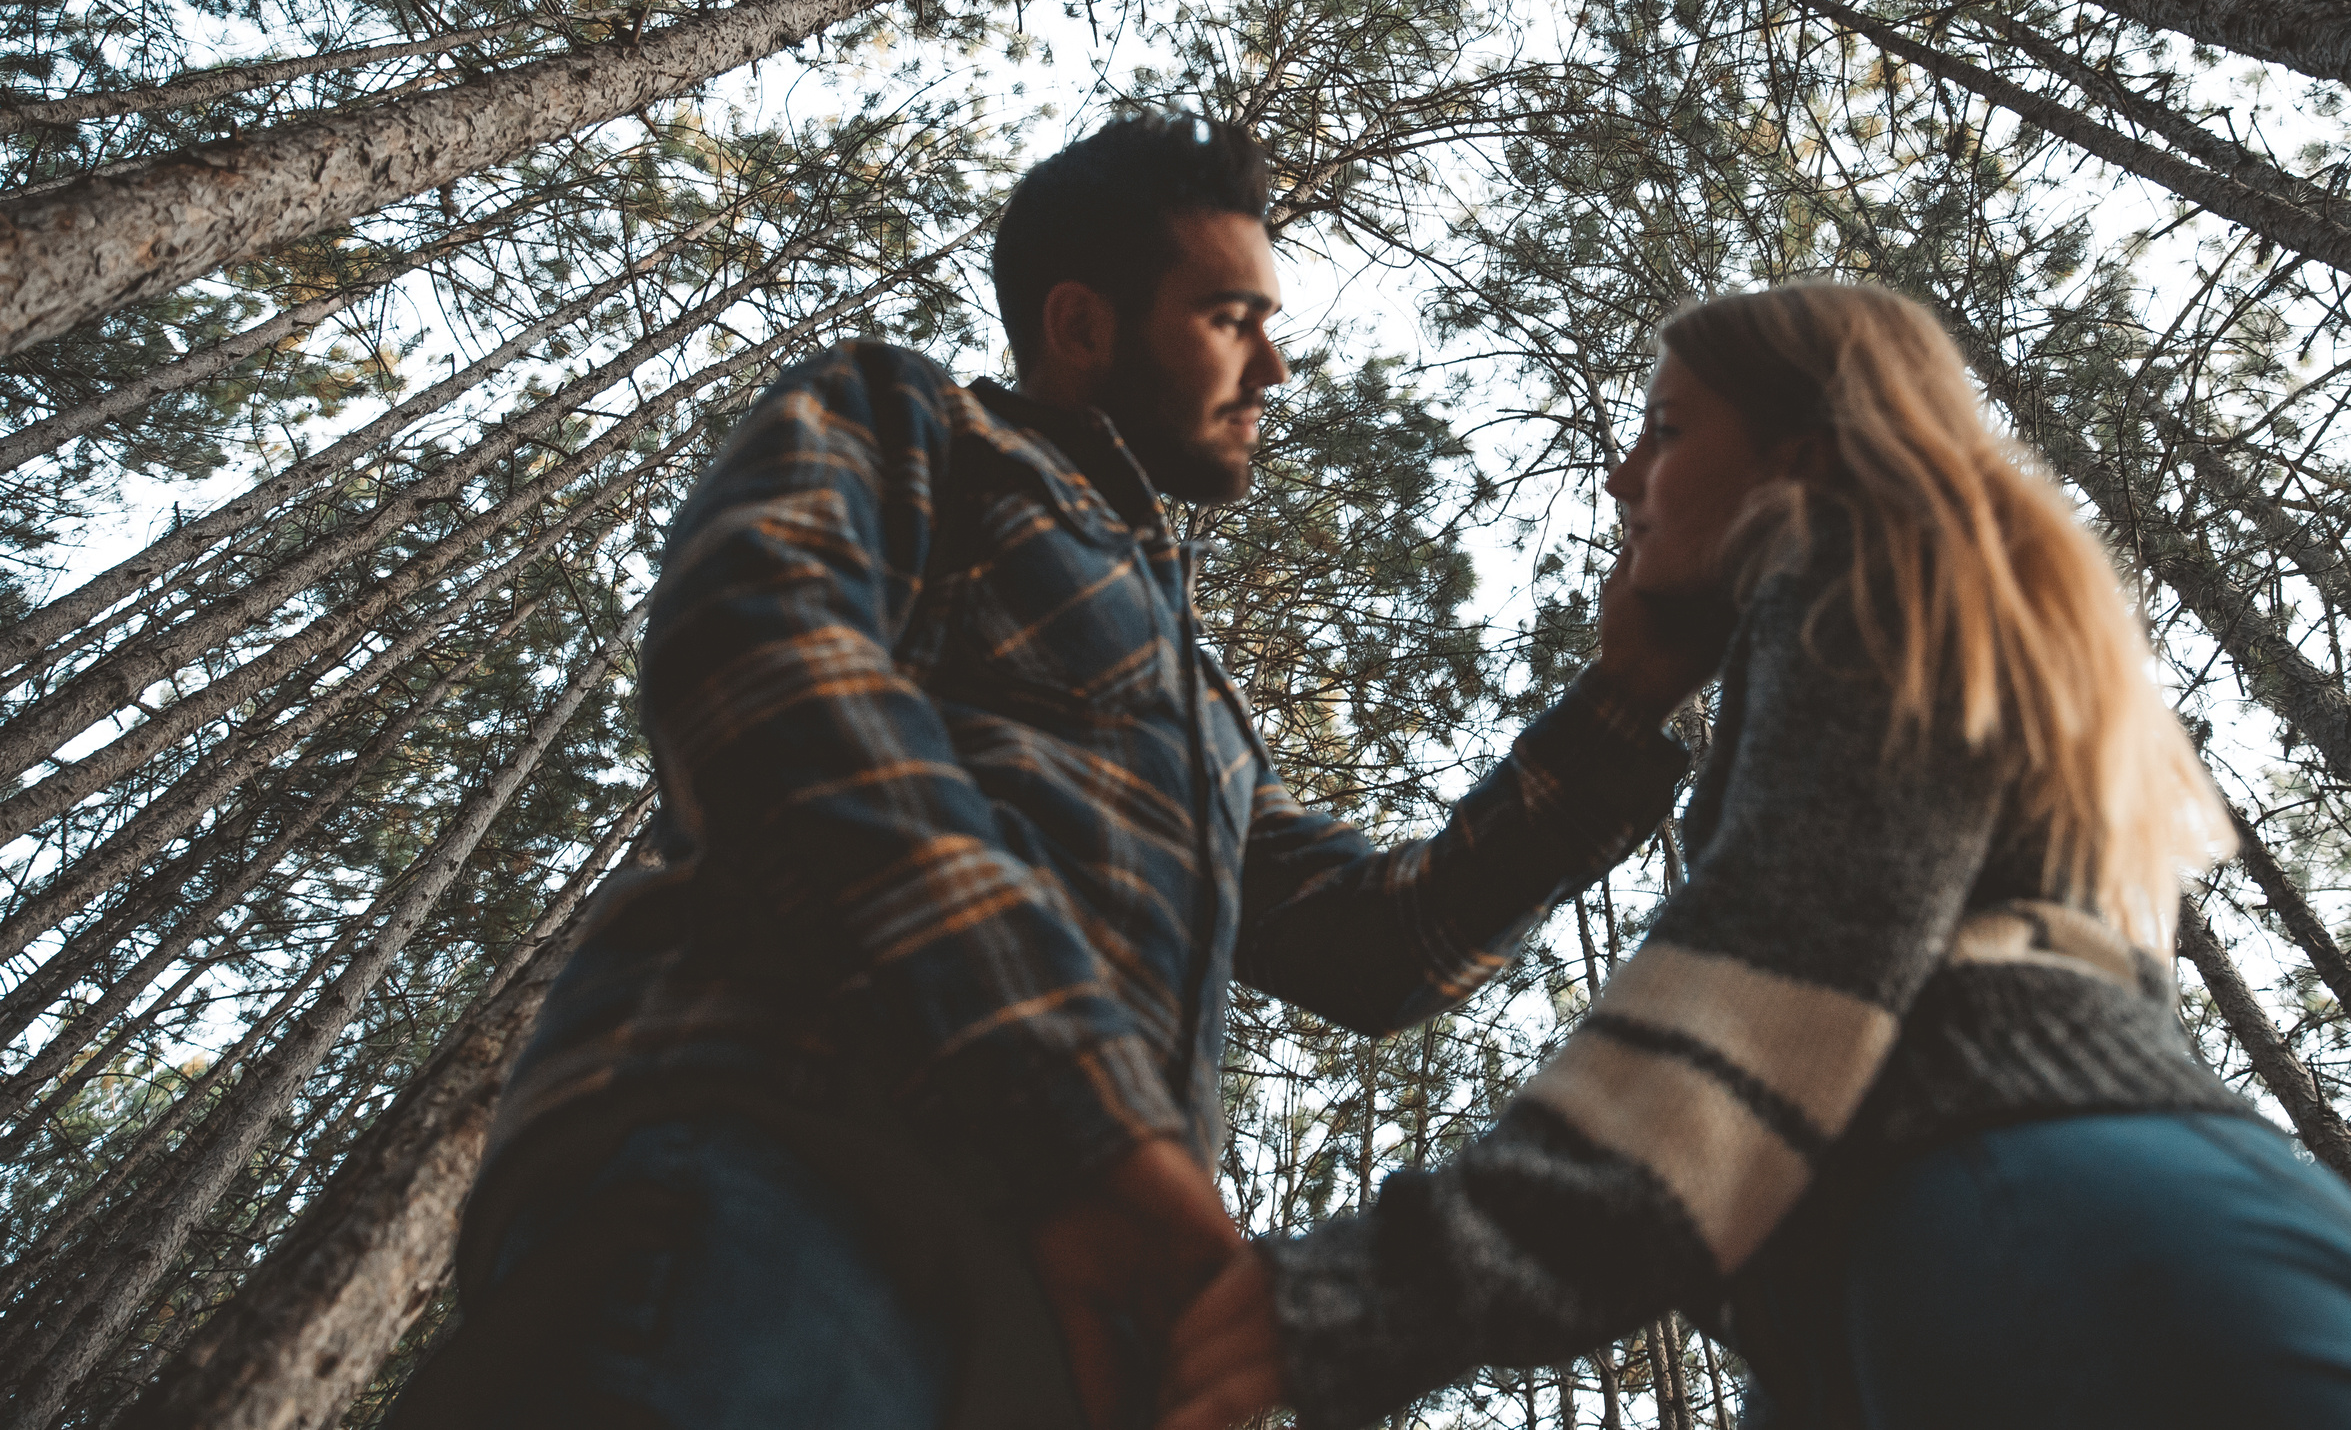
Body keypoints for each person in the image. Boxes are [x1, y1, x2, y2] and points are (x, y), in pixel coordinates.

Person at [385, 112, 1704, 1430]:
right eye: (1232, 318)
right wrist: (1084, 1121)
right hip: (785, 1165)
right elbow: (764, 660)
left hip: (1047, 1310)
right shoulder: (907, 418)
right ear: (1081, 325)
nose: (1275, 365)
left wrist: (1629, 696)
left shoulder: (1201, 709)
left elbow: (1384, 942)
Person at [1157, 281, 2351, 1430]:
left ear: (1802, 451)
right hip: (2095, 1238)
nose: (1622, 477)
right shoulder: (1933, 609)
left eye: (1665, 430)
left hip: (2038, 1227)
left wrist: (1375, 1288)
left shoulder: (1855, 561)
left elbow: (1787, 963)